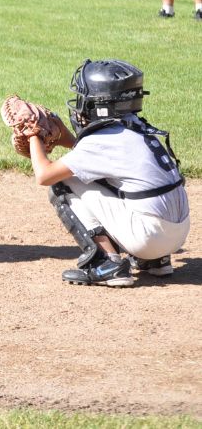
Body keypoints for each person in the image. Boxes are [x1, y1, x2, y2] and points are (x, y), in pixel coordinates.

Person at [26, 59, 190, 287]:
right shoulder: (133, 124)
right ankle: (154, 260)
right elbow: (100, 163)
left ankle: (107, 264)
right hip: (177, 233)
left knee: (62, 183)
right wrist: (65, 138)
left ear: (99, 103)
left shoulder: (102, 140)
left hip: (147, 236)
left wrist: (32, 133)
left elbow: (44, 175)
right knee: (107, 181)